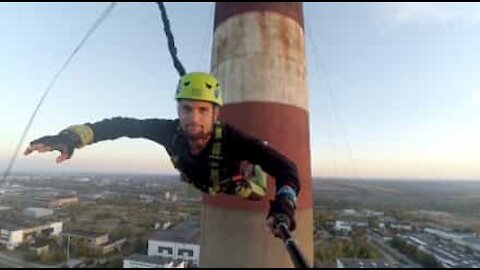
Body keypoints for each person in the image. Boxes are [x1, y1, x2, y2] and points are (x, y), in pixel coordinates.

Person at [24, 72, 300, 236]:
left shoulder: (232, 139)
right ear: (178, 111)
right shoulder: (169, 131)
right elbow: (121, 125)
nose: (194, 118)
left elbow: (286, 169)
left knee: (255, 189)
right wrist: (71, 138)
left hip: (233, 182)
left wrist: (285, 203)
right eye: (186, 109)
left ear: (216, 114)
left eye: (203, 110)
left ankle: (251, 169)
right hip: (201, 180)